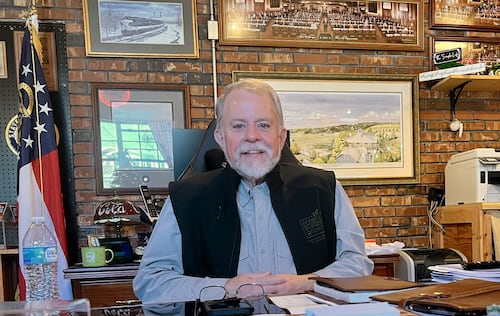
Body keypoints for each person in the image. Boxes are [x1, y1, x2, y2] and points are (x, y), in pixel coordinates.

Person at [133, 78, 373, 304]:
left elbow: (357, 264)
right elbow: (150, 283)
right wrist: (226, 288)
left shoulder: (325, 190)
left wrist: (307, 283)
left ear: (281, 137)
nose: (252, 136)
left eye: (263, 125)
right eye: (238, 126)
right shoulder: (185, 200)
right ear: (220, 137)